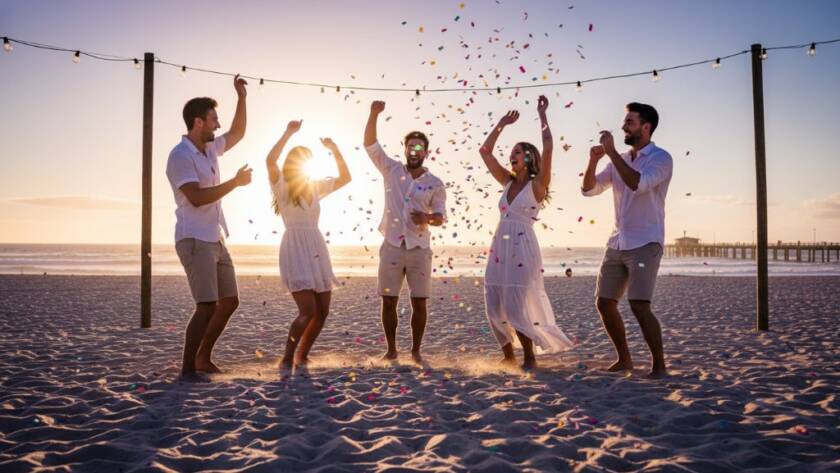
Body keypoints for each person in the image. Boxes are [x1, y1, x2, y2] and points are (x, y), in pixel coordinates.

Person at [479, 95, 574, 370]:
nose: (513, 155)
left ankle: (530, 357)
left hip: (522, 246)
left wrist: (542, 114)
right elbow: (485, 152)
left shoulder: (538, 184)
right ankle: (508, 355)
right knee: (494, 301)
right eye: (513, 152)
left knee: (516, 303)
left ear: (530, 158)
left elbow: (548, 146)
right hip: (500, 246)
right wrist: (501, 124)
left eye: (519, 151)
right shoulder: (506, 182)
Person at [166, 75, 251, 378]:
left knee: (229, 301)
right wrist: (235, 183)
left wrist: (241, 97)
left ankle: (203, 357)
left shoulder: (211, 149)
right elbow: (197, 198)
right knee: (205, 306)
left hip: (215, 238)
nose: (218, 125)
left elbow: (238, 132)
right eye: (214, 119)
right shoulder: (179, 156)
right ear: (198, 122)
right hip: (193, 239)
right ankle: (187, 370)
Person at [581, 102, 673, 379]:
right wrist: (595, 160)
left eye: (630, 122)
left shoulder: (661, 158)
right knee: (604, 302)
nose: (623, 126)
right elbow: (588, 190)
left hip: (646, 242)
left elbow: (638, 183)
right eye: (624, 122)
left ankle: (659, 365)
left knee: (639, 305)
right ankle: (625, 359)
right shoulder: (617, 159)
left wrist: (610, 153)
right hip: (617, 241)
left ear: (646, 127)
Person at [364, 100, 447, 364]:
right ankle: (391, 350)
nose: (414, 150)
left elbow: (440, 217)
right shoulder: (391, 169)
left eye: (419, 147)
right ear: (405, 149)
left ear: (426, 152)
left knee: (419, 302)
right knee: (388, 301)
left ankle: (415, 351)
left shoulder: (435, 183)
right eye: (410, 146)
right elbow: (370, 145)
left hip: (419, 249)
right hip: (391, 245)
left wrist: (427, 218)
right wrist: (373, 113)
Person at [266, 120, 351, 370]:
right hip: (294, 247)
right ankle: (286, 357)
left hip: (315, 247)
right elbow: (270, 160)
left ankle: (302, 355)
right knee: (307, 311)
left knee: (322, 311)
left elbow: (346, 177)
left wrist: (334, 149)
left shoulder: (315, 186)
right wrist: (288, 132)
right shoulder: (280, 185)